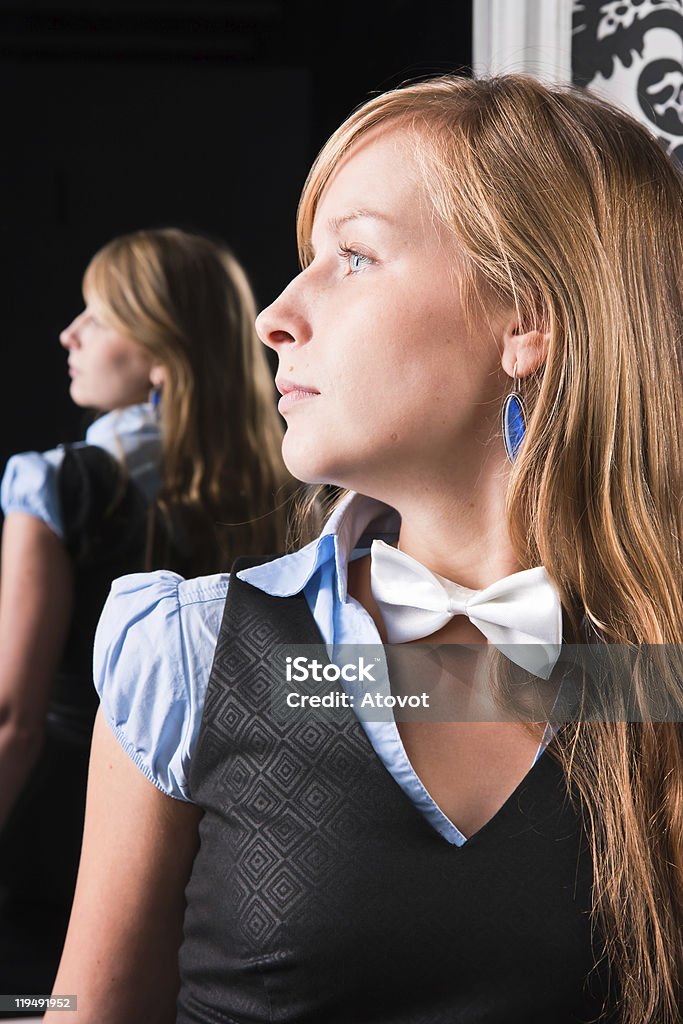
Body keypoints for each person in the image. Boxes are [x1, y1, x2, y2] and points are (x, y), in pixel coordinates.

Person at [47, 75, 683, 1024]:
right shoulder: (185, 651)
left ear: (526, 319)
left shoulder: (653, 669)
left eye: (352, 256)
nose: (275, 317)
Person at [0, 227, 293, 997]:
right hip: (227, 832)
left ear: (160, 353)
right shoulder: (288, 496)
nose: (70, 333)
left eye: (98, 314)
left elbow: (10, 718)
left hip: (58, 831)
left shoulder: (57, 485)